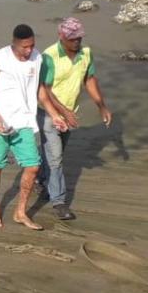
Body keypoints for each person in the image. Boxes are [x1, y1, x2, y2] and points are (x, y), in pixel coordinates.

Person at [0, 24, 68, 231]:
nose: (29, 51)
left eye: (32, 46)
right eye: (25, 47)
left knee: (33, 166)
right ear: (15, 44)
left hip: (24, 122)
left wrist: (55, 116)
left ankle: (20, 212)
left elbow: (40, 92)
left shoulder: (37, 58)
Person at [37, 17, 112, 220]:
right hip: (48, 112)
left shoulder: (86, 53)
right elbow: (44, 89)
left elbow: (89, 79)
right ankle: (59, 202)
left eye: (79, 38)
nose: (76, 42)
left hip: (70, 112)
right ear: (61, 36)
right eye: (72, 39)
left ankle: (42, 179)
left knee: (54, 152)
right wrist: (63, 111)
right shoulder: (49, 56)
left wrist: (102, 106)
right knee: (56, 158)